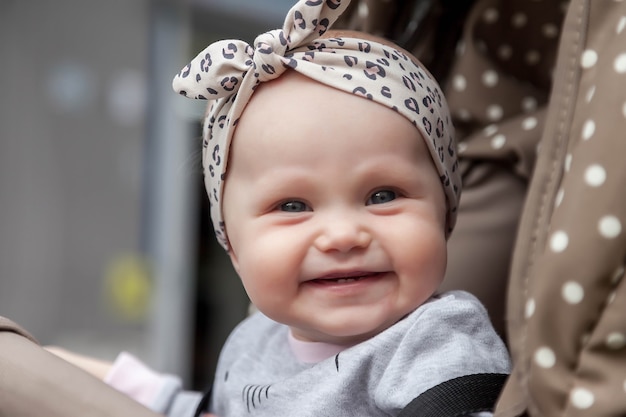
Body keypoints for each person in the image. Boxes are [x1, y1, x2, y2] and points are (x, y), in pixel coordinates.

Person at [55, 0, 510, 416]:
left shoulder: (435, 343)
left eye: (382, 196)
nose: (343, 235)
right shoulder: (255, 342)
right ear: (232, 246)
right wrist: (115, 385)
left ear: (444, 212)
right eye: (293, 205)